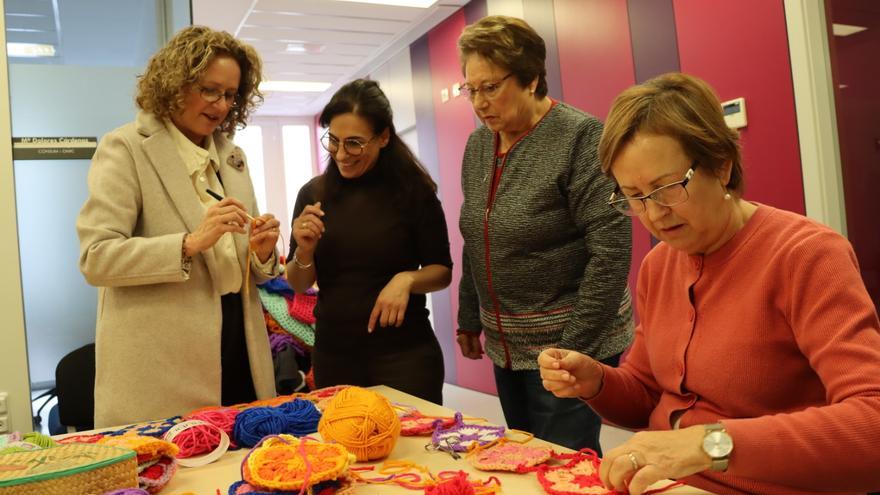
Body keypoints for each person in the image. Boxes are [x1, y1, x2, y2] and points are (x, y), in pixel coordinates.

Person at [539, 72, 880, 495]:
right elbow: (648, 394)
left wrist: (710, 444)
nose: (654, 213)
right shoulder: (660, 264)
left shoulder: (806, 254)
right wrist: (598, 382)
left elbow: (872, 423)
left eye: (666, 187)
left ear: (722, 165)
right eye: (634, 196)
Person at [77, 26, 281, 428]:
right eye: (209, 90)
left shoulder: (232, 156)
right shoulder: (125, 148)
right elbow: (96, 258)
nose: (221, 105)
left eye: (230, 95)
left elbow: (242, 269)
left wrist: (261, 252)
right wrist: (188, 244)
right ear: (175, 84)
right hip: (160, 363)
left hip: (239, 348)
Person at [455, 15, 634, 453]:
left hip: (570, 340)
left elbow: (611, 251)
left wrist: (572, 348)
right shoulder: (479, 145)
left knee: (563, 463)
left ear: (532, 78)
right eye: (470, 89)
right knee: (525, 454)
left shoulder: (581, 137)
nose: (478, 102)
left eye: (490, 87)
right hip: (507, 344)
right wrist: (468, 316)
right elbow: (476, 235)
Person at [287, 79, 452, 404]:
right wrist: (304, 250)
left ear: (384, 138)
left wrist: (407, 279)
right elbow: (298, 281)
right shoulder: (314, 194)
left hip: (405, 356)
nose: (341, 154)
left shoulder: (413, 193)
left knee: (413, 451)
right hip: (335, 356)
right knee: (345, 452)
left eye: (355, 143)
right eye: (333, 141)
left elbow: (442, 271)